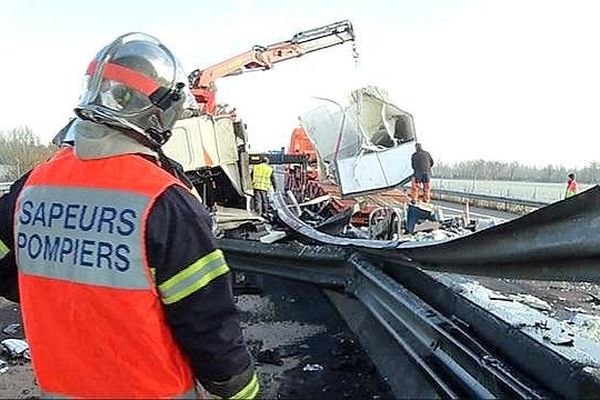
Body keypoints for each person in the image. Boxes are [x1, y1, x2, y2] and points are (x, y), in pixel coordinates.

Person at [0, 32, 258, 399]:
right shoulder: (165, 201)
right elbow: (207, 324)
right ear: (162, 110)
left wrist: (30, 286)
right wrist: (241, 391)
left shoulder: (33, 186)